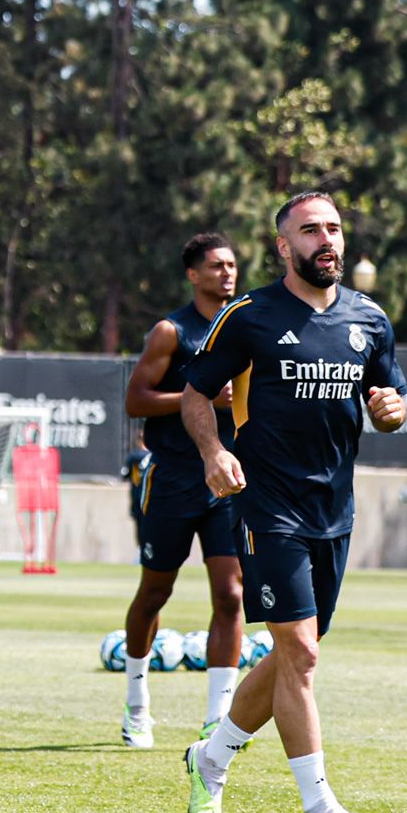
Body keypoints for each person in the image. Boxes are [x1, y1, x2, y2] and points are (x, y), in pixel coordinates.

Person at [182, 190, 407, 813]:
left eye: (333, 228)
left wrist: (392, 411)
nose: (325, 240)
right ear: (284, 246)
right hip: (267, 505)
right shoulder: (249, 315)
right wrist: (213, 450)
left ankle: (211, 758)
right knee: (300, 654)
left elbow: (388, 399)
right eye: (310, 230)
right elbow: (196, 393)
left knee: (292, 657)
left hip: (334, 511)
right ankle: (320, 811)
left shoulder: (369, 318)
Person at [117, 232, 246, 749]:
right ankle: (136, 705)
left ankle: (218, 719)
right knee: (155, 593)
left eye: (232, 265)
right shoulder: (172, 331)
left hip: (228, 478)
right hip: (172, 477)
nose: (227, 273)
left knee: (232, 594)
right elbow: (136, 401)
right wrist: (200, 398)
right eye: (216, 266)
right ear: (193, 274)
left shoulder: (247, 326)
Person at [121, 431, 151, 553]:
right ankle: (148, 550)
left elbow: (124, 475)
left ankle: (142, 550)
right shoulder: (156, 456)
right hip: (153, 496)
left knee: (140, 526)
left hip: (138, 496)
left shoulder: (133, 457)